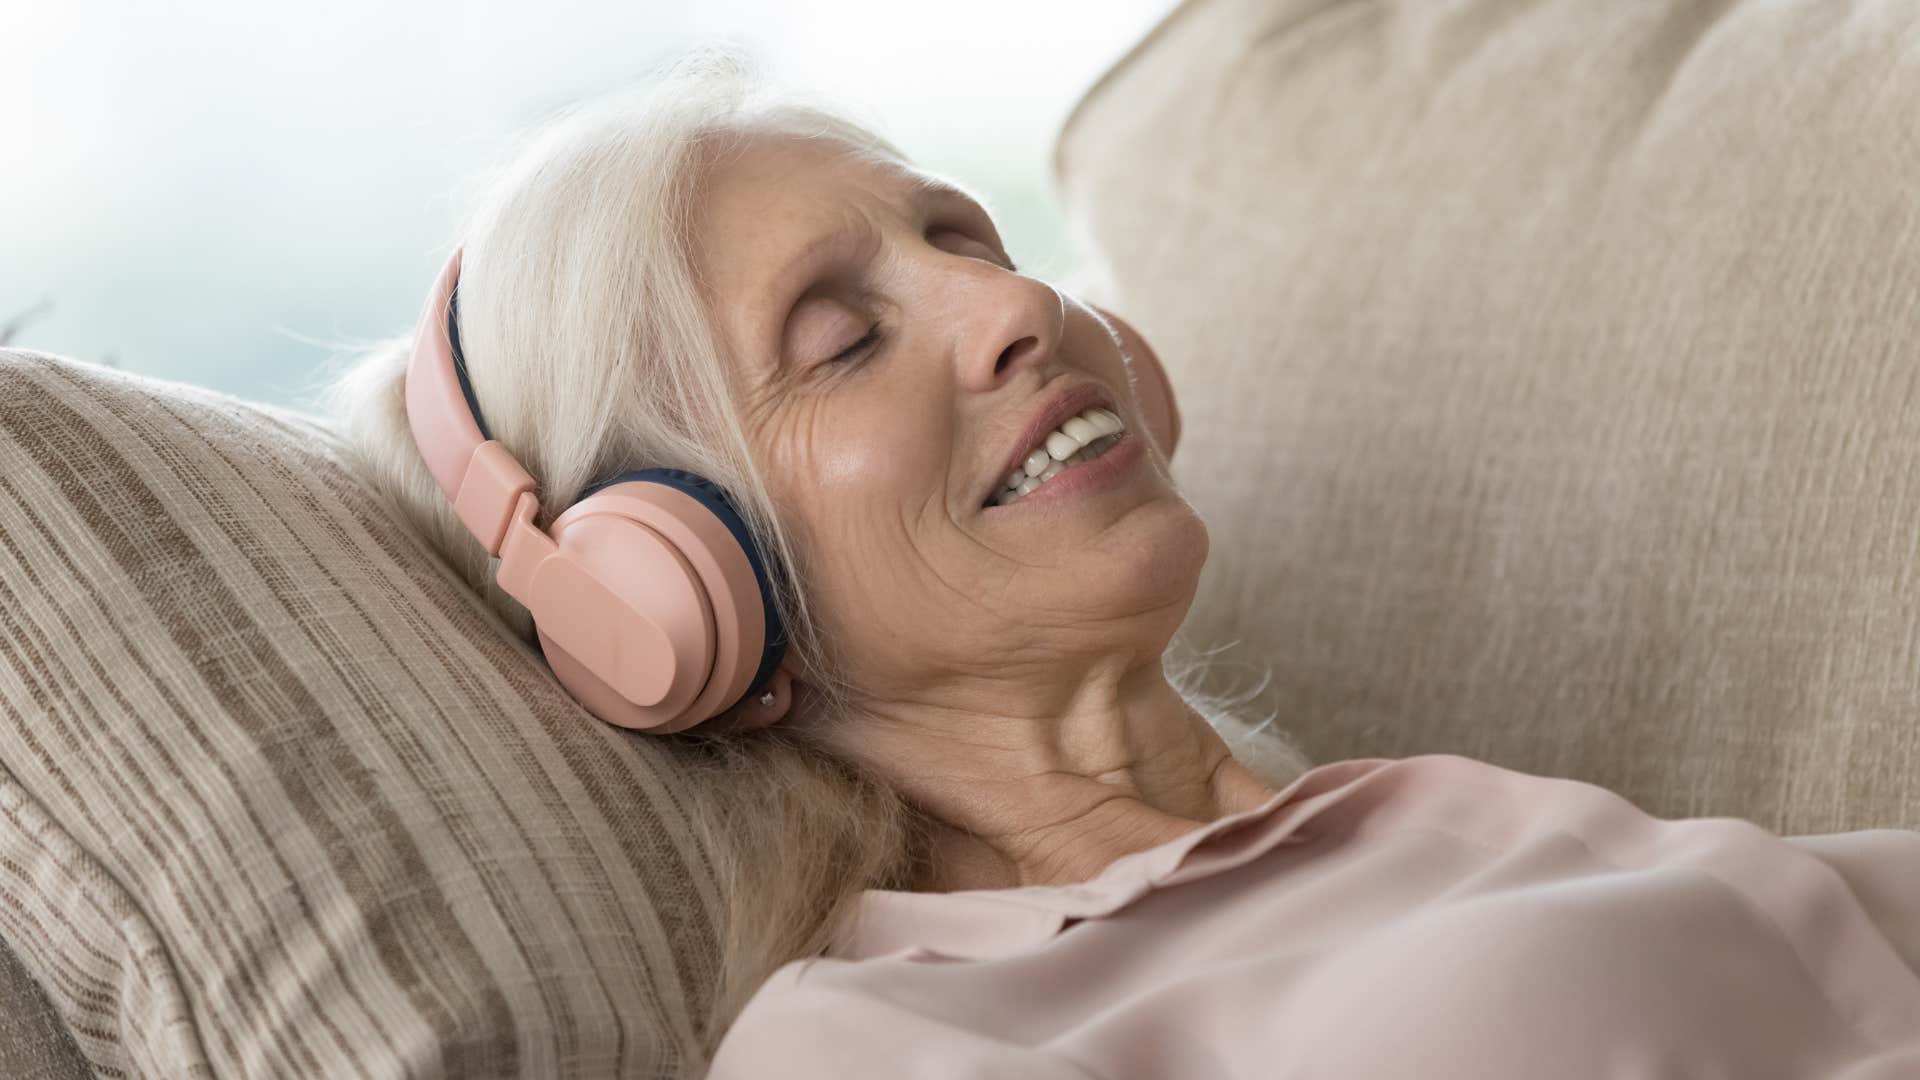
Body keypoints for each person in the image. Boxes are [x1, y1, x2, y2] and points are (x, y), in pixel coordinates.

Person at [323, 45, 1920, 1078]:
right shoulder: (889, 1049)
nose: (1011, 308)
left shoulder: (1405, 820)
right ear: (667, 599)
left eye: (962, 239)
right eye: (841, 340)